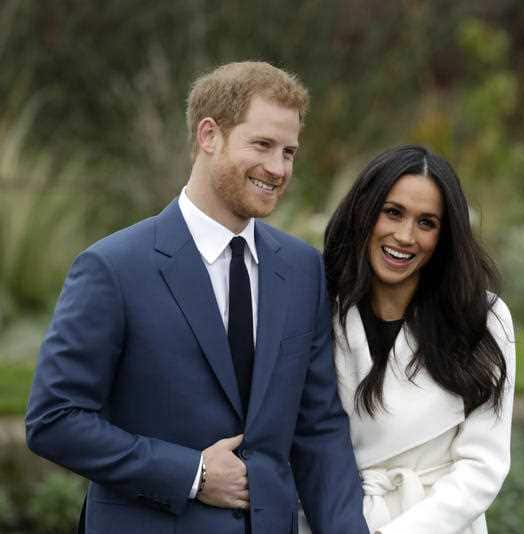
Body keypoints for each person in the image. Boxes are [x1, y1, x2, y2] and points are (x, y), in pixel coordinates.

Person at [26, 61, 369, 534]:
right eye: (263, 145)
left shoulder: (302, 267)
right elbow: (55, 419)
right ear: (209, 135)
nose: (278, 168)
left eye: (289, 151)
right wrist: (191, 474)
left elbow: (319, 429)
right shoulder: (113, 267)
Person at [303, 144, 516, 534]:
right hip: (331, 519)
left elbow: (483, 467)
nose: (405, 236)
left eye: (426, 223)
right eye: (393, 212)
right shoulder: (317, 309)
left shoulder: (482, 319)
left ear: (445, 235)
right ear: (364, 213)